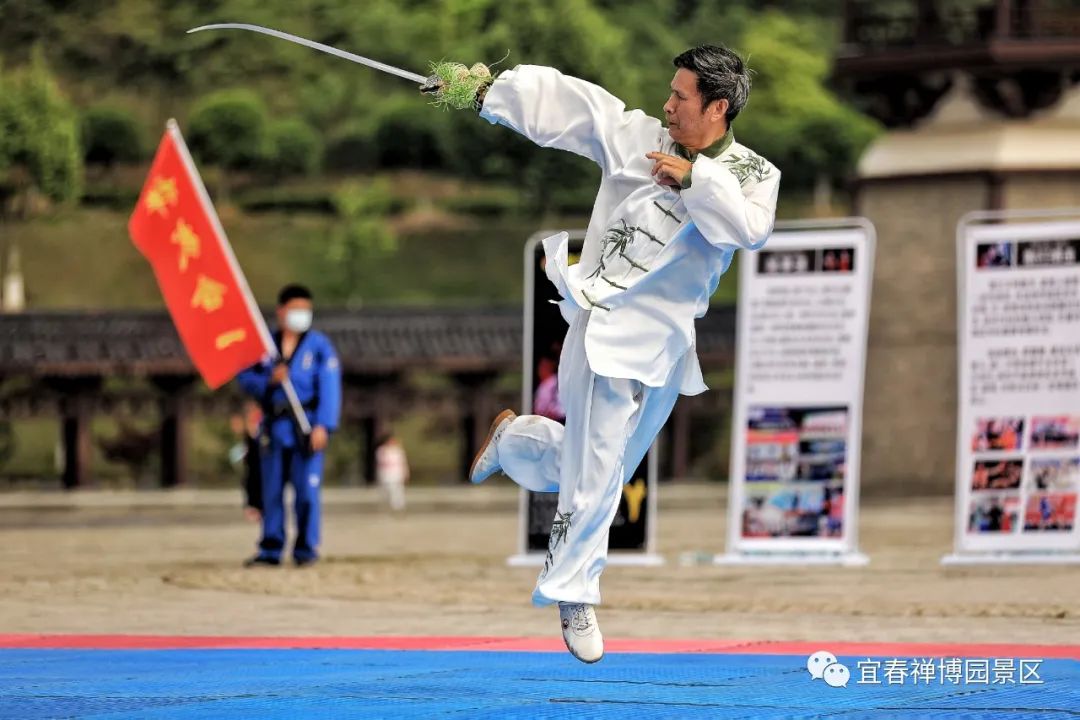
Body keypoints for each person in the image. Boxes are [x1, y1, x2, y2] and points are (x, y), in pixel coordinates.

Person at [425, 45, 779, 662]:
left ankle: (516, 441)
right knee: (595, 476)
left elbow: (748, 231)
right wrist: (488, 95)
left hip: (668, 342)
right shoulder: (637, 140)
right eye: (669, 93)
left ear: (718, 107)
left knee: (604, 468)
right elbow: (577, 109)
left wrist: (694, 179)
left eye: (681, 98)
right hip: (604, 325)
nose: (667, 106)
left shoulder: (754, 174)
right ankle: (573, 592)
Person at [237, 284, 341, 567]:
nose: (301, 315)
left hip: (306, 425)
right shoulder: (265, 347)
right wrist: (269, 381)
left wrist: (324, 425)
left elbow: (330, 389)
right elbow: (245, 379)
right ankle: (271, 547)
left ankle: (306, 548)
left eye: (306, 310)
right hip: (274, 426)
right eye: (296, 309)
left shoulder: (319, 347)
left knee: (307, 492)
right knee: (271, 491)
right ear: (281, 311)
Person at [375, 432, 409, 512]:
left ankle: (398, 507)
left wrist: (406, 472)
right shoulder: (381, 450)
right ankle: (388, 505)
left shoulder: (398, 451)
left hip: (397, 473)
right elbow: (380, 463)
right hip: (386, 473)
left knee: (397, 489)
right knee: (387, 490)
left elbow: (403, 462)